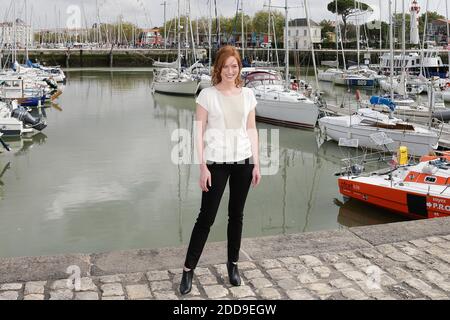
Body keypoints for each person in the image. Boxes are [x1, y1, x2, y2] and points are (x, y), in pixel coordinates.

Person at [179, 45, 261, 295]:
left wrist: (256, 162)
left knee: (236, 216)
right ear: (218, 68)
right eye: (225, 66)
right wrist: (202, 167)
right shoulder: (207, 95)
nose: (230, 70)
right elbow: (198, 133)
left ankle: (233, 265)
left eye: (234, 66)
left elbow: (251, 129)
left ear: (239, 68)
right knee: (207, 217)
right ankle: (188, 269)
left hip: (244, 162)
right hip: (216, 163)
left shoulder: (248, 95)